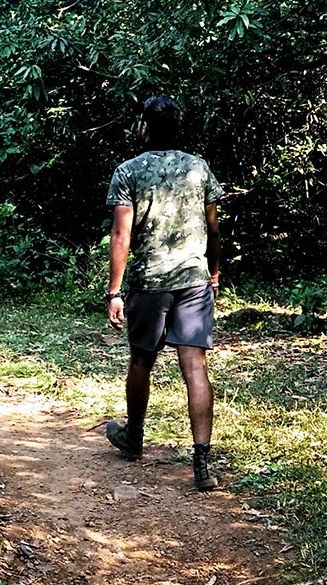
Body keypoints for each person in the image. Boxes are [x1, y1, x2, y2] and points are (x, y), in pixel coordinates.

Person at [104, 95, 223, 491]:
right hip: (193, 278)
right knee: (195, 367)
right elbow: (213, 227)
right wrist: (214, 270)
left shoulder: (128, 171)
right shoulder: (198, 167)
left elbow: (121, 235)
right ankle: (203, 460)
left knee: (141, 360)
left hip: (149, 282)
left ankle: (133, 437)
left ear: (144, 126)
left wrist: (114, 291)